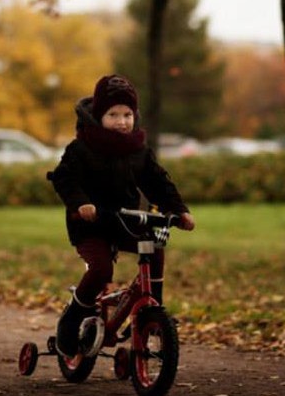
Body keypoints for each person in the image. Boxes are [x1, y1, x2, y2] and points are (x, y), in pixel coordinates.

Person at [47, 74, 195, 357]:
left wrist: (178, 210)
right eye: (113, 114)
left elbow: (157, 181)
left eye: (127, 114)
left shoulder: (137, 149)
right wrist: (80, 203)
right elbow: (65, 179)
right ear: (98, 115)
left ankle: (153, 308)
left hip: (126, 221)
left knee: (154, 246)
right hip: (89, 224)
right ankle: (72, 318)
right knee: (102, 270)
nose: (122, 121)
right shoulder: (82, 147)